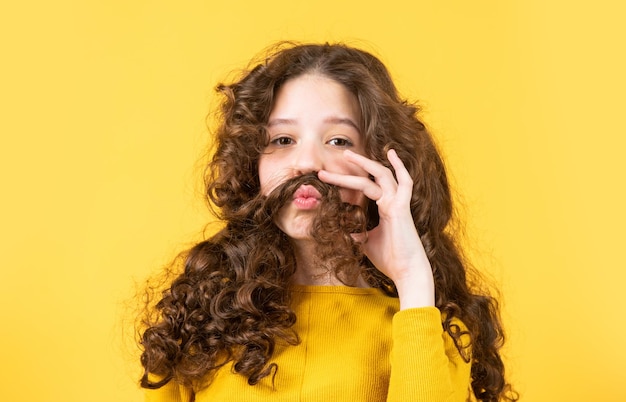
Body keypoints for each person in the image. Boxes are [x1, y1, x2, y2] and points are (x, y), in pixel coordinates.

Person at [138, 42, 517, 401]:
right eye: (283, 139)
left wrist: (414, 282)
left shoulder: (428, 328)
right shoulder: (197, 318)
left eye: (339, 141)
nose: (306, 163)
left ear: (382, 163)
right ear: (251, 162)